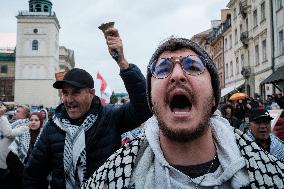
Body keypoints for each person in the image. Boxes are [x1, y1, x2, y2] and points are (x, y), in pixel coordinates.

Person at [83, 37, 284, 188]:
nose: (177, 75)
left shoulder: (273, 175)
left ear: (214, 96)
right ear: (151, 101)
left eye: (193, 66)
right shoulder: (108, 178)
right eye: (162, 69)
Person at [23, 27, 152, 189]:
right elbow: (33, 174)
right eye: (65, 93)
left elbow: (144, 107)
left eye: (76, 92)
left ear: (91, 93)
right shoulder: (53, 127)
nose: (68, 99)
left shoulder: (110, 117)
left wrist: (122, 62)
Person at [5, 112, 45, 189]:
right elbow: (11, 156)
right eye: (31, 120)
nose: (33, 122)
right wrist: (22, 172)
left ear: (41, 122)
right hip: (20, 176)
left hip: (38, 178)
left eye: (36, 120)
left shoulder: (45, 137)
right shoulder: (22, 135)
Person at [0, 103, 29, 183]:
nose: (15, 113)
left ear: (25, 115)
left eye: (18, 111)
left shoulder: (25, 127)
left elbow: (9, 133)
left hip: (7, 165)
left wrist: (2, 116)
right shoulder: (13, 123)